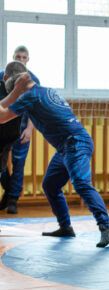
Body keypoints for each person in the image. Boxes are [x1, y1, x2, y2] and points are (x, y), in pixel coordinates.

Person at [0, 67, 109, 248]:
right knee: (50, 185)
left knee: (81, 183)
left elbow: (1, 116)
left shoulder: (28, 96)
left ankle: (107, 227)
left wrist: (15, 92)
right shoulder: (44, 90)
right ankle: (65, 227)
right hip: (68, 145)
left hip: (74, 143)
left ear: (18, 86)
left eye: (15, 93)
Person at [0, 45, 40, 214]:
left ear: (28, 60)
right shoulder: (3, 76)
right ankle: (8, 191)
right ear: (13, 57)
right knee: (2, 165)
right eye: (18, 57)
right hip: (3, 127)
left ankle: (13, 200)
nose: (21, 60)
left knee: (18, 164)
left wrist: (29, 129)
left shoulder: (33, 80)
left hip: (22, 128)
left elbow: (34, 107)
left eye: (24, 57)